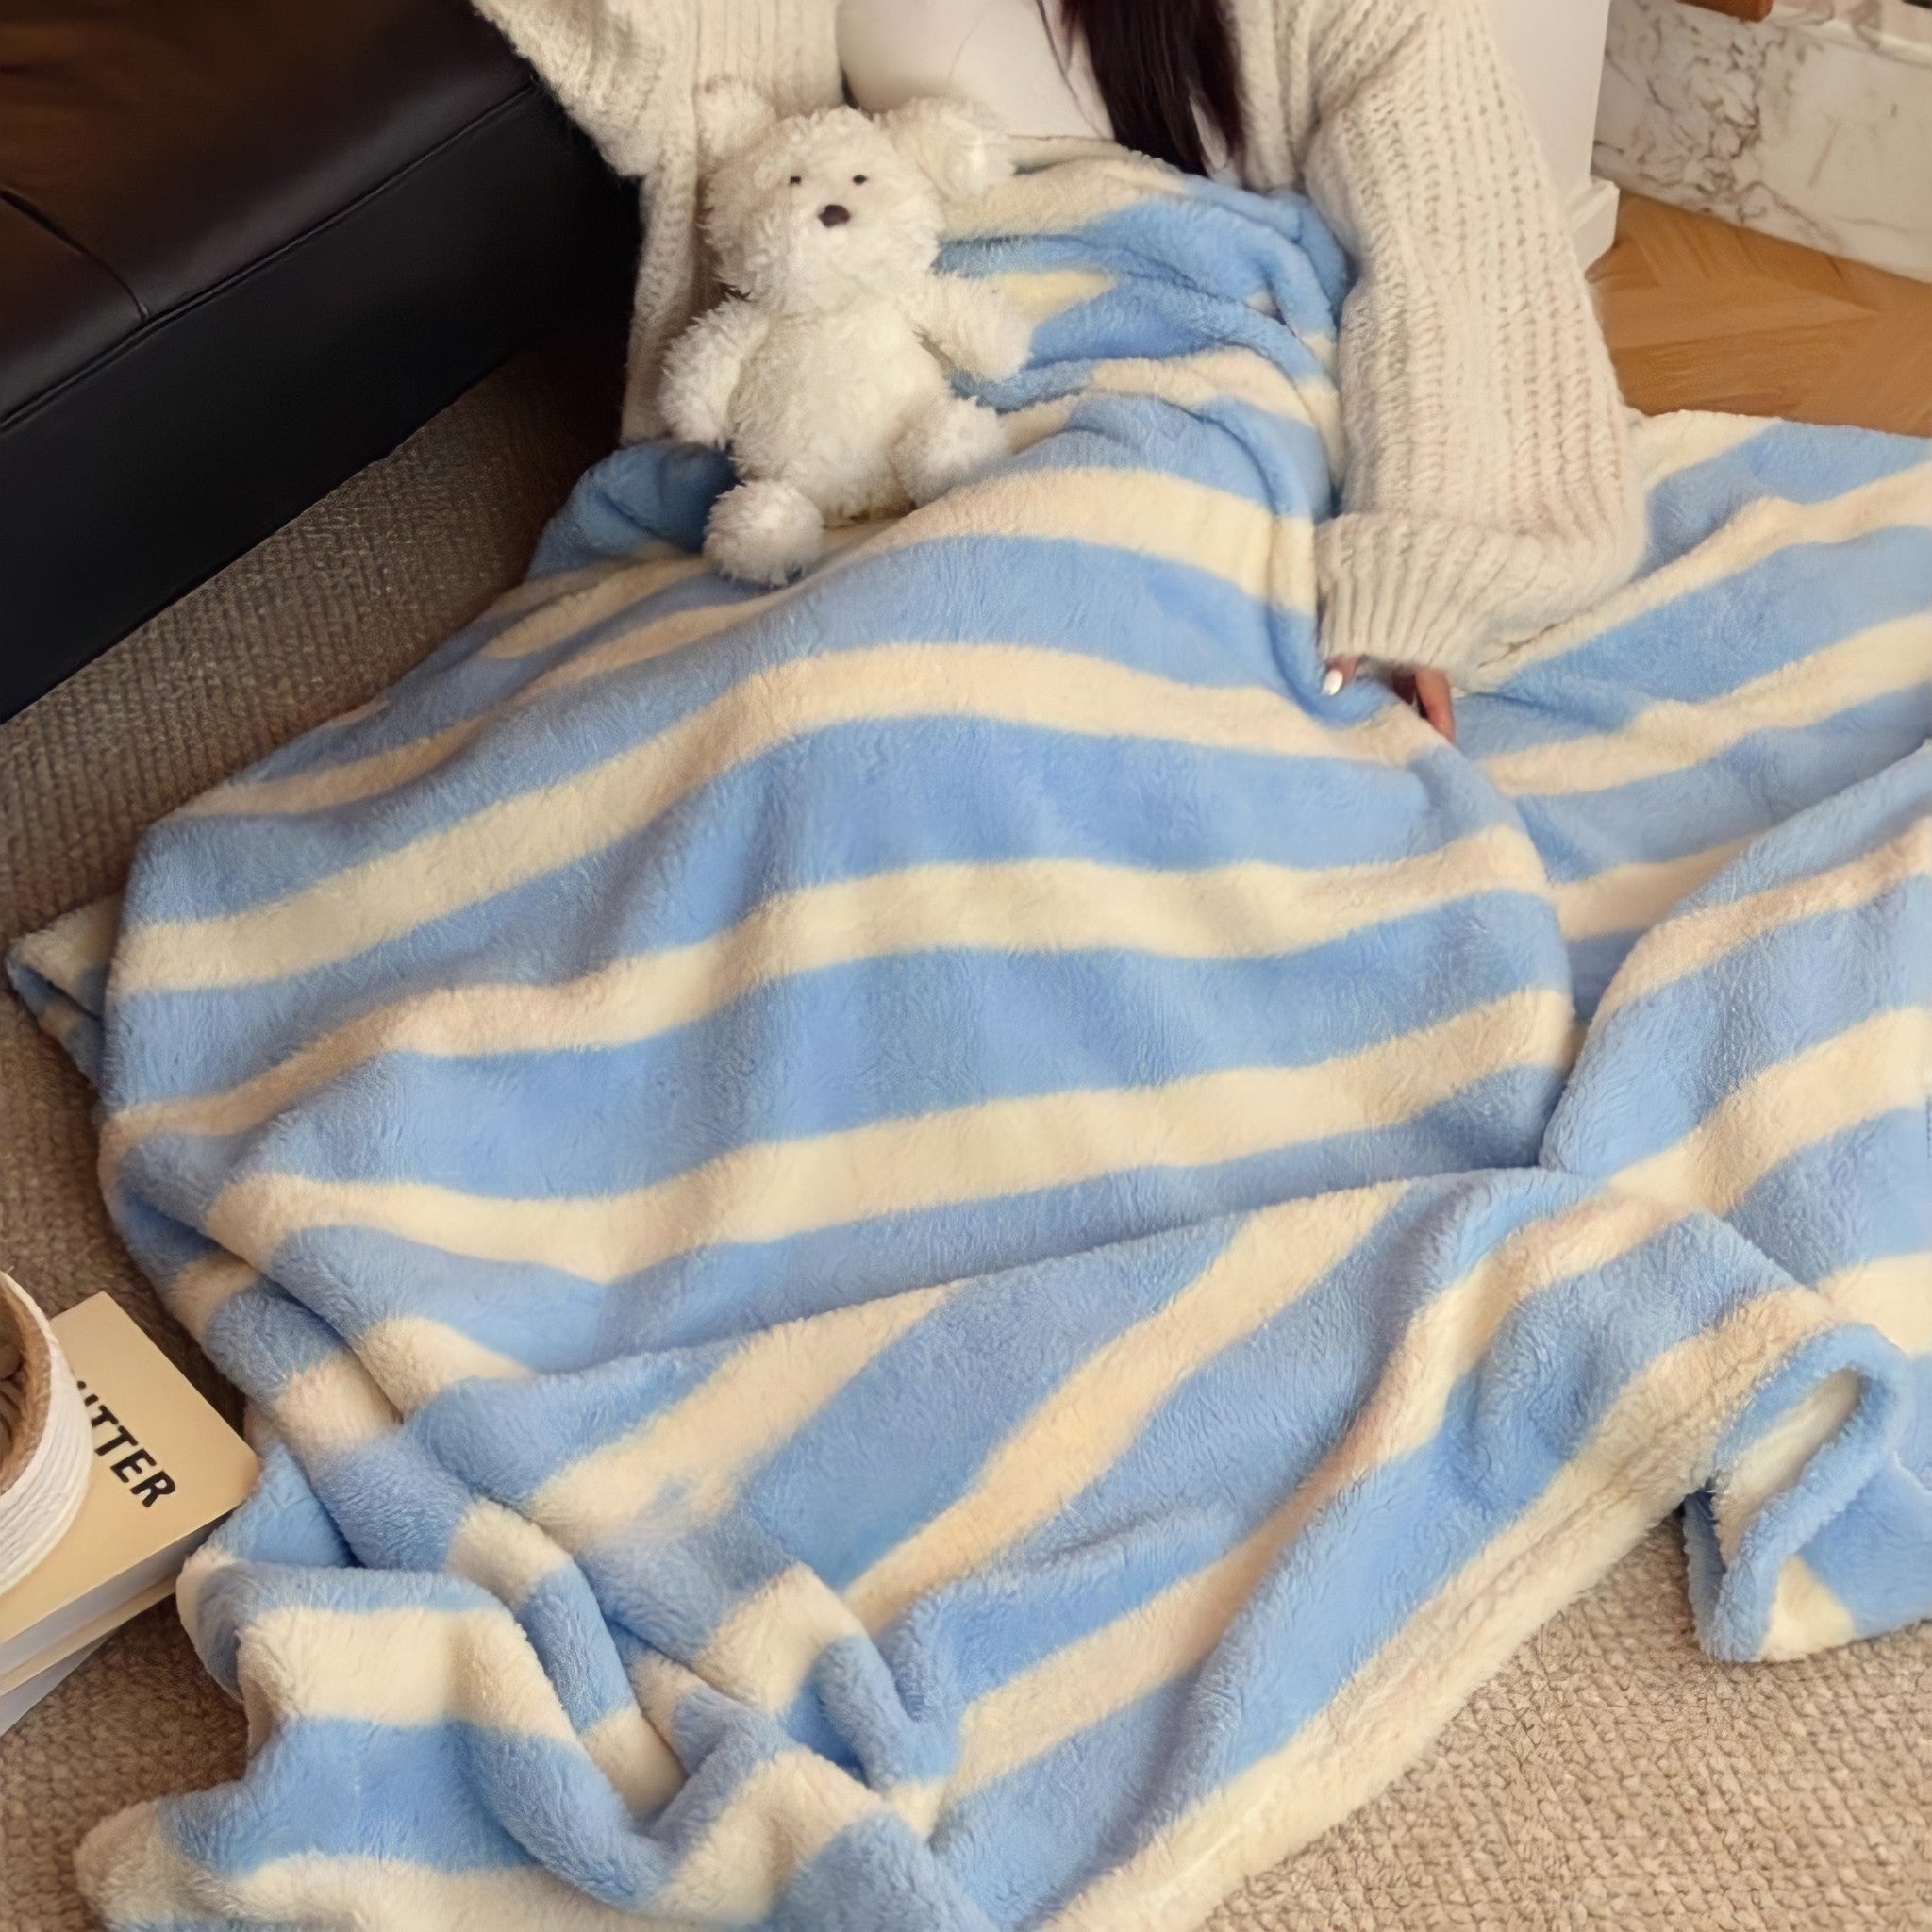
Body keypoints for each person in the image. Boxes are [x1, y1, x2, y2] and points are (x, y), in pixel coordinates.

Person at [473, 0, 1643, 739]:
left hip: (1204, 363)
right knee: (804, 690)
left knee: (1055, 613)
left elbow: (1453, 242)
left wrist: (1427, 572)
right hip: (919, 356)